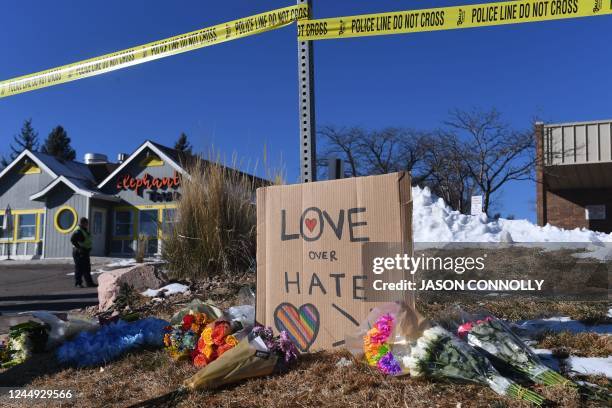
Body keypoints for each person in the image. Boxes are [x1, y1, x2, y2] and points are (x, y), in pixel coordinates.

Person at [71, 217, 97, 288]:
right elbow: (72, 240)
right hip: (79, 252)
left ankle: (89, 283)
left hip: (85, 251)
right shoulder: (78, 231)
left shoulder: (84, 230)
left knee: (87, 268)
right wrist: (79, 248)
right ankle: (78, 283)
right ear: (82, 223)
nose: (87, 224)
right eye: (86, 223)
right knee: (79, 268)